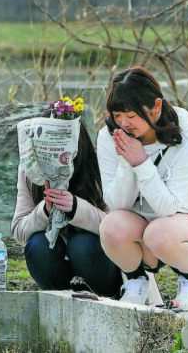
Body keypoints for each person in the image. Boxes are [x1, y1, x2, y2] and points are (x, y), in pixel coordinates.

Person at [97, 66, 188, 311]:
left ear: (156, 107)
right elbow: (116, 205)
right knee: (111, 225)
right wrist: (128, 161)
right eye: (117, 115)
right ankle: (136, 282)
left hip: (186, 224)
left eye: (131, 116)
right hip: (141, 225)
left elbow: (168, 208)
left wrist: (142, 162)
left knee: (159, 232)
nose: (123, 123)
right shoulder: (109, 136)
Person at [10, 109, 123, 298]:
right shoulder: (29, 170)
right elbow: (19, 232)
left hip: (102, 264)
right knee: (38, 245)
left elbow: (119, 229)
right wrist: (44, 212)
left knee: (82, 244)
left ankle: (106, 299)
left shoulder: (98, 167)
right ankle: (59, 300)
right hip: (58, 266)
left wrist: (76, 208)